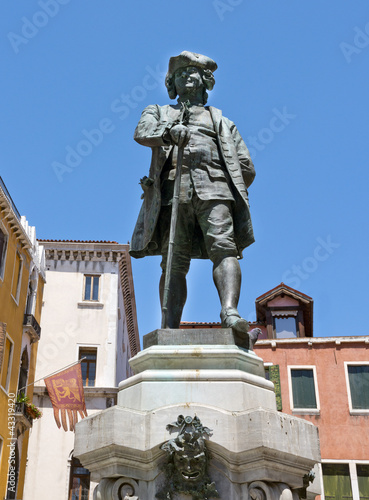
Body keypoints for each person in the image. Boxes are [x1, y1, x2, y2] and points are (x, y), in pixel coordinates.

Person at [130, 51, 256, 337]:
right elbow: (142, 132)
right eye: (179, 73)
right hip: (172, 190)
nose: (186, 75)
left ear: (205, 80)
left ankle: (230, 312)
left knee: (224, 248)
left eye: (193, 71)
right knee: (173, 260)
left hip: (215, 190)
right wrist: (170, 133)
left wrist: (223, 179)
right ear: (171, 82)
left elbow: (246, 166)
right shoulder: (159, 112)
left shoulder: (222, 121)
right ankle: (169, 328)